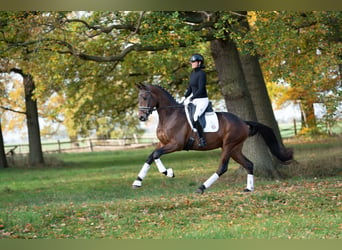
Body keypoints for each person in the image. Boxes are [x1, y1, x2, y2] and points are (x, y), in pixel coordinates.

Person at [184, 53, 209, 147]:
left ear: (199, 63)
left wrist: (193, 97)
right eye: (192, 62)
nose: (192, 63)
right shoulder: (192, 74)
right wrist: (185, 96)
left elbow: (201, 88)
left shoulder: (202, 74)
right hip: (194, 99)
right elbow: (190, 88)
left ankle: (202, 139)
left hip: (202, 100)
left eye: (193, 62)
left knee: (195, 117)